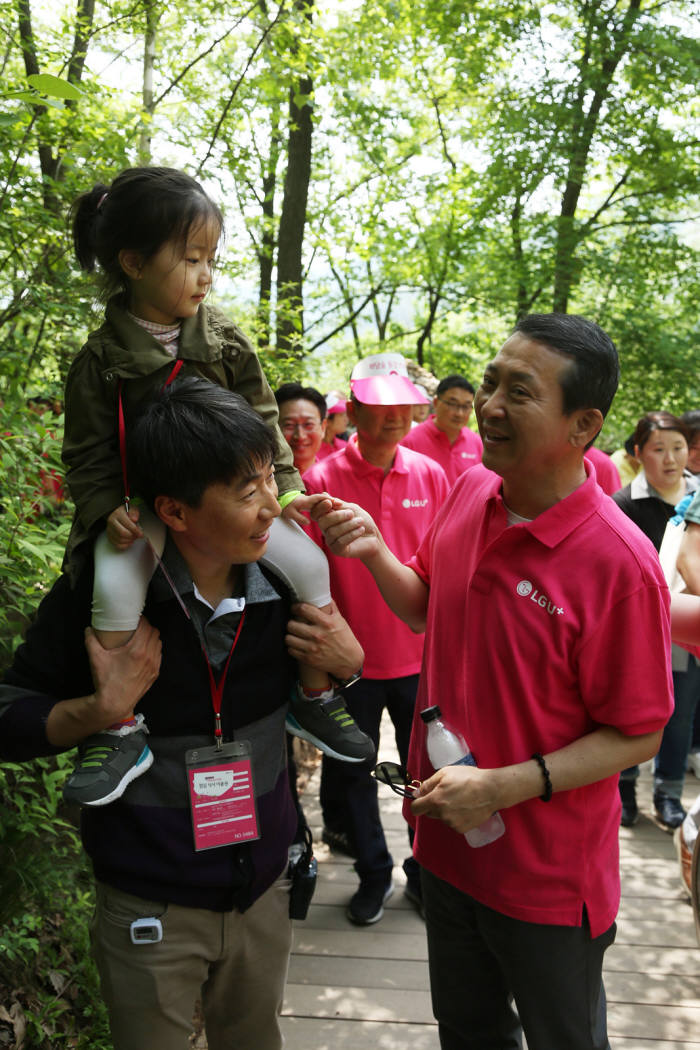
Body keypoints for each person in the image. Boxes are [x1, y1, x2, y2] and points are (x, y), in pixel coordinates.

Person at [311, 314, 673, 1050]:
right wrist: (376, 550)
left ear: (583, 425)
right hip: (445, 847)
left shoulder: (619, 566)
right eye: (489, 383)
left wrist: (507, 784)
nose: (490, 405)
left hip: (546, 879)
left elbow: (641, 731)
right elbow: (424, 604)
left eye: (519, 392)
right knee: (468, 1033)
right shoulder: (471, 488)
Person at [0, 378, 364, 1050]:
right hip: (149, 902)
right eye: (244, 490)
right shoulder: (102, 602)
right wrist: (101, 708)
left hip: (261, 892)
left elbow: (344, 695)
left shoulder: (284, 586)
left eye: (266, 481)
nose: (268, 508)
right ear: (174, 510)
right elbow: (9, 715)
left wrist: (349, 661)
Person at [61, 166, 371, 806]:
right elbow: (87, 456)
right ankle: (120, 727)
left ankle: (311, 695)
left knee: (312, 566)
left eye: (212, 259)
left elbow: (263, 424)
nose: (206, 275)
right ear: (134, 263)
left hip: (236, 500)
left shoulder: (225, 340)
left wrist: (283, 493)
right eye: (191, 258)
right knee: (114, 588)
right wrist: (105, 512)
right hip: (144, 506)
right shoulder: (100, 362)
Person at [303, 353, 449, 924]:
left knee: (427, 776)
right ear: (356, 409)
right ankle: (372, 872)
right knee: (355, 774)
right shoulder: (322, 481)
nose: (392, 419)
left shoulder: (431, 474)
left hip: (419, 658)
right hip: (351, 663)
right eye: (378, 408)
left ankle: (425, 871)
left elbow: (439, 566)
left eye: (401, 408)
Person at [613, 411, 699, 829]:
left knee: (681, 713)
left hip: (688, 628)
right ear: (636, 454)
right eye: (658, 449)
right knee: (629, 708)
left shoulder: (698, 496)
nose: (670, 459)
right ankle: (624, 789)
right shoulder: (622, 505)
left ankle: (667, 794)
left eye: (678, 448)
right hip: (637, 628)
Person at [401, 374, 482, 485]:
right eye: (453, 404)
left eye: (466, 406)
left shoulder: (477, 443)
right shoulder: (410, 441)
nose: (459, 413)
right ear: (435, 403)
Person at [275, 382, 327, 475]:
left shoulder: (334, 476)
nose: (300, 436)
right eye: (289, 425)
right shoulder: (264, 482)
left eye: (308, 424)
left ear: (323, 428)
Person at [318, 391, 349, 459]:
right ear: (327, 421)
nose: (346, 419)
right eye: (341, 415)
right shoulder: (313, 449)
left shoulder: (345, 446)